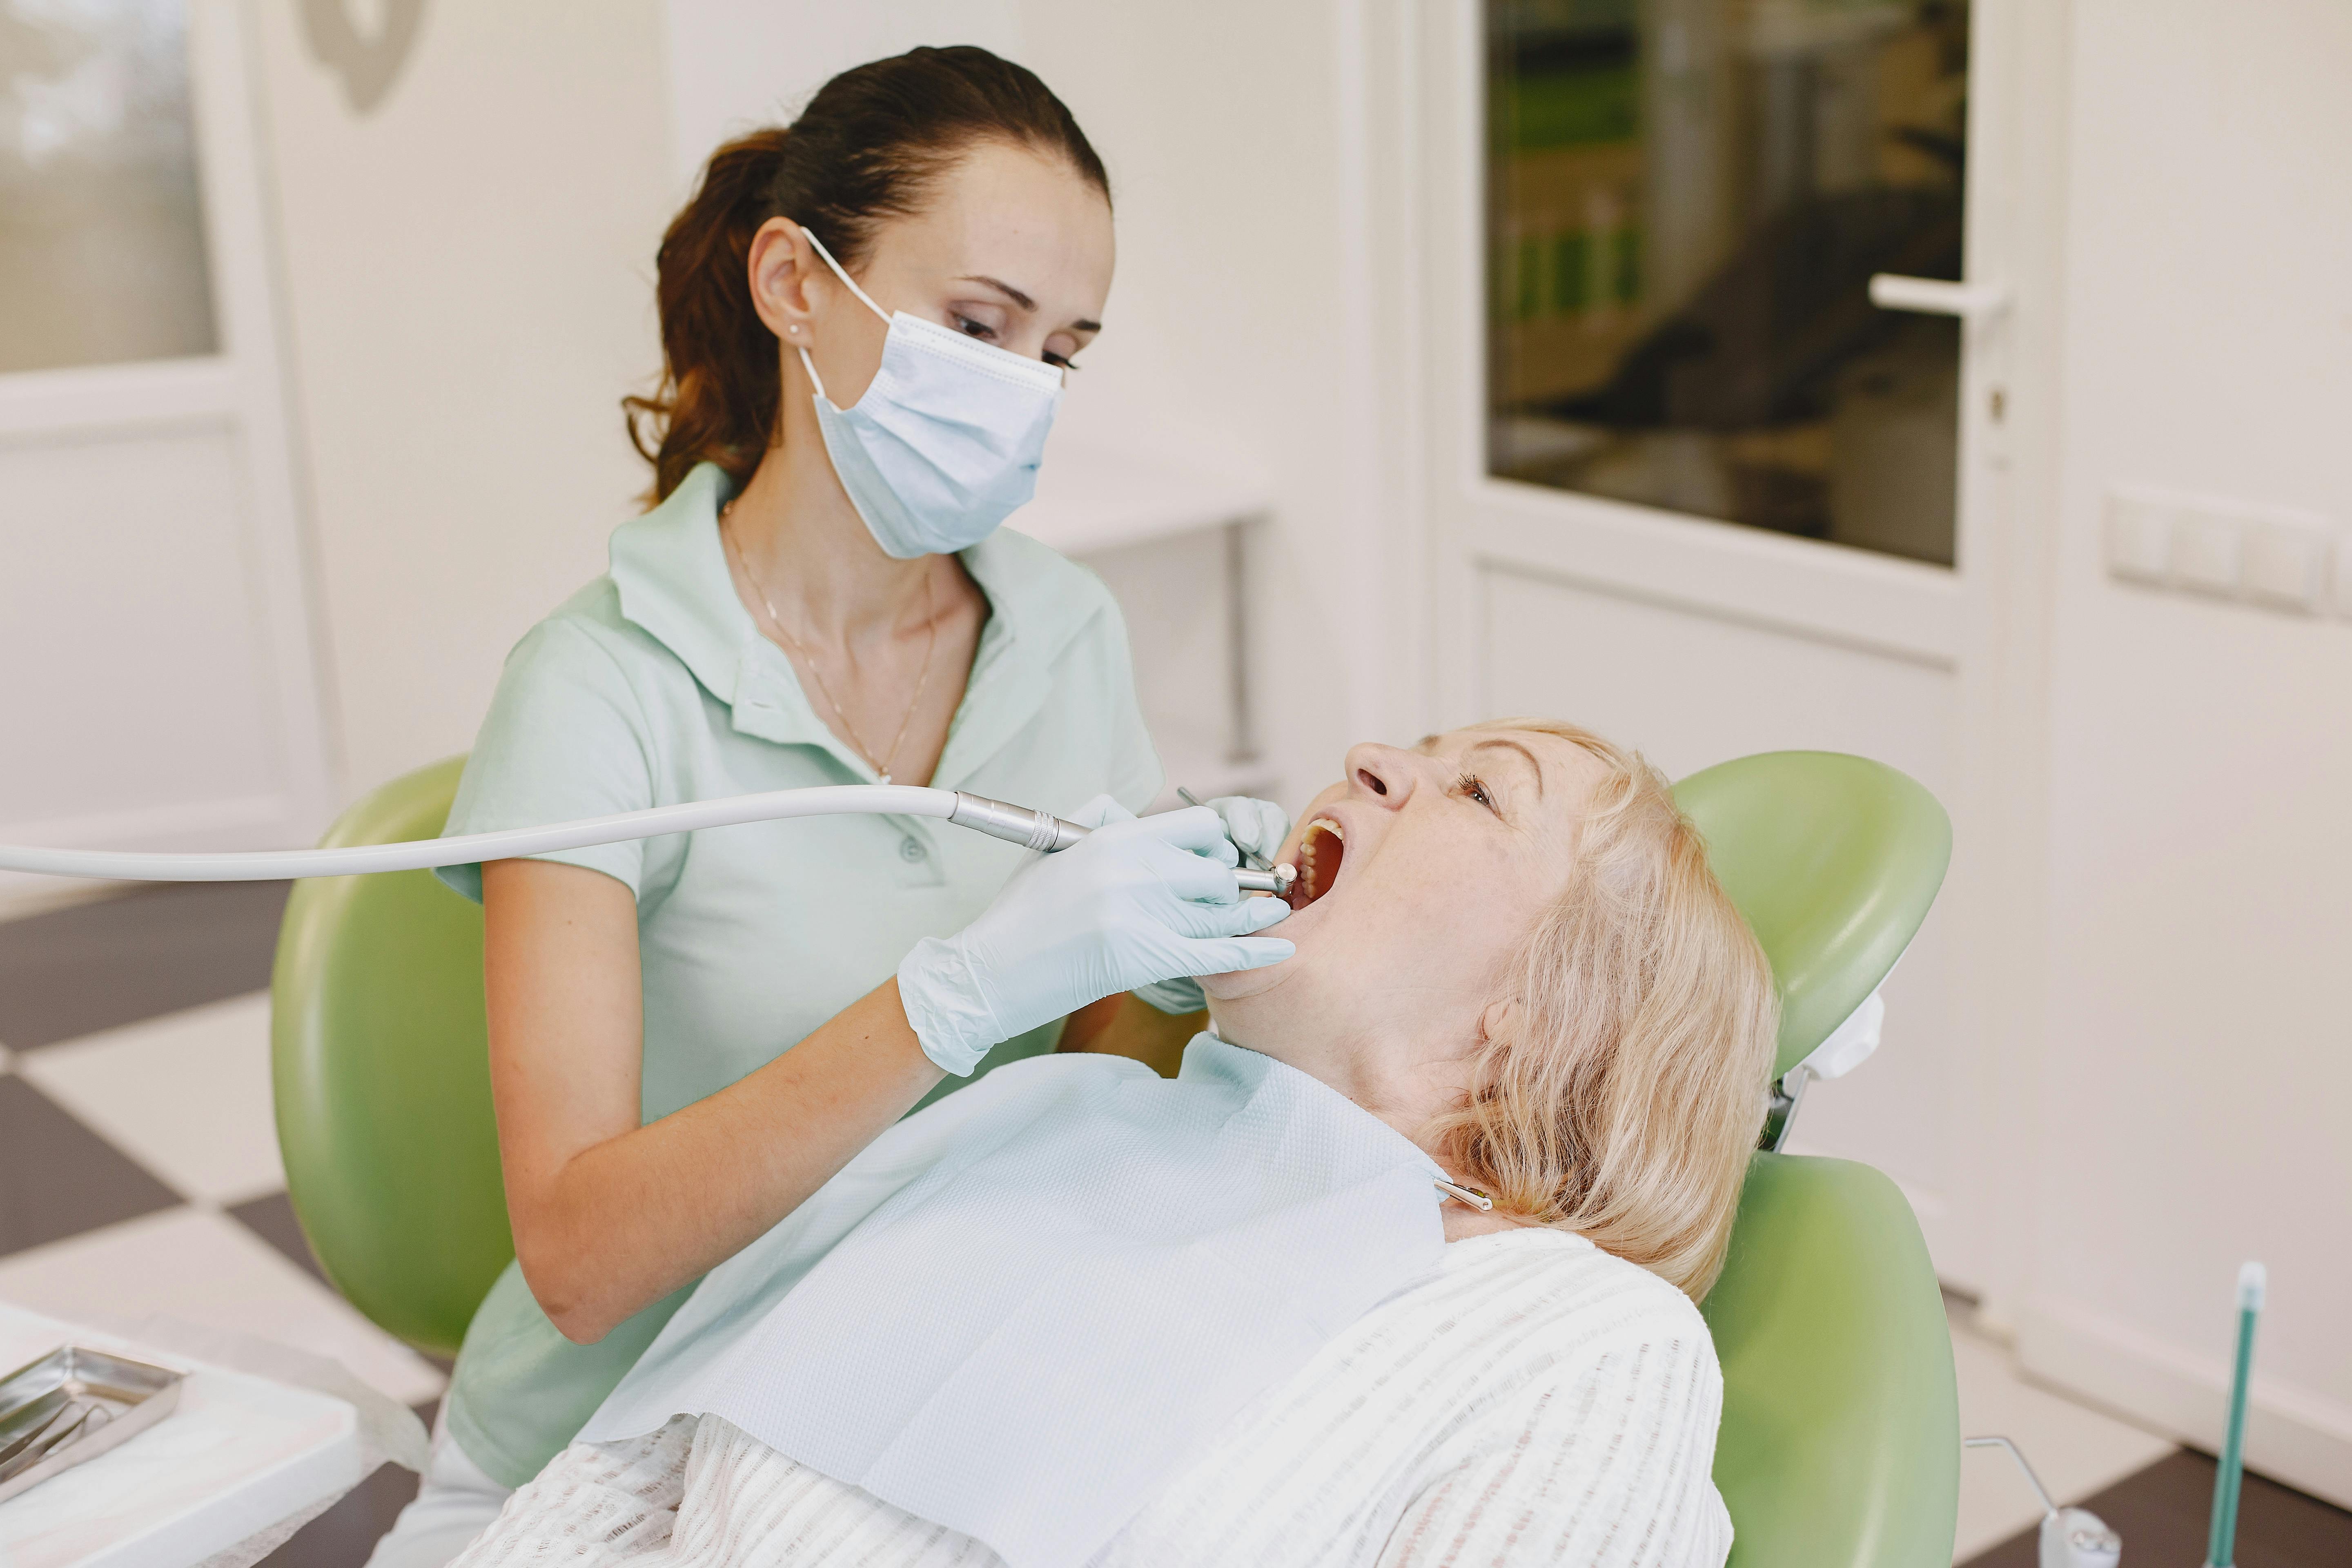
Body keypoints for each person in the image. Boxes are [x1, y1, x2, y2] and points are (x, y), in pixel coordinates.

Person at [368, 48, 1293, 1566]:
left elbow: (1087, 1072)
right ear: (795, 284)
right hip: (610, 1443)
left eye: (1060, 351)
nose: (1021, 392)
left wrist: (1165, 964)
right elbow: (582, 1264)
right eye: (977, 326)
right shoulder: (602, 688)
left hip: (896, 1405)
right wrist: (946, 999)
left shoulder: (1064, 632)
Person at [444, 720, 1782, 1568]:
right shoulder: (1050, 1125)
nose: (1373, 756)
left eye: (1481, 793)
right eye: (1412, 751)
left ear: (1542, 1015)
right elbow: (632, 1491)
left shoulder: (1573, 1340)